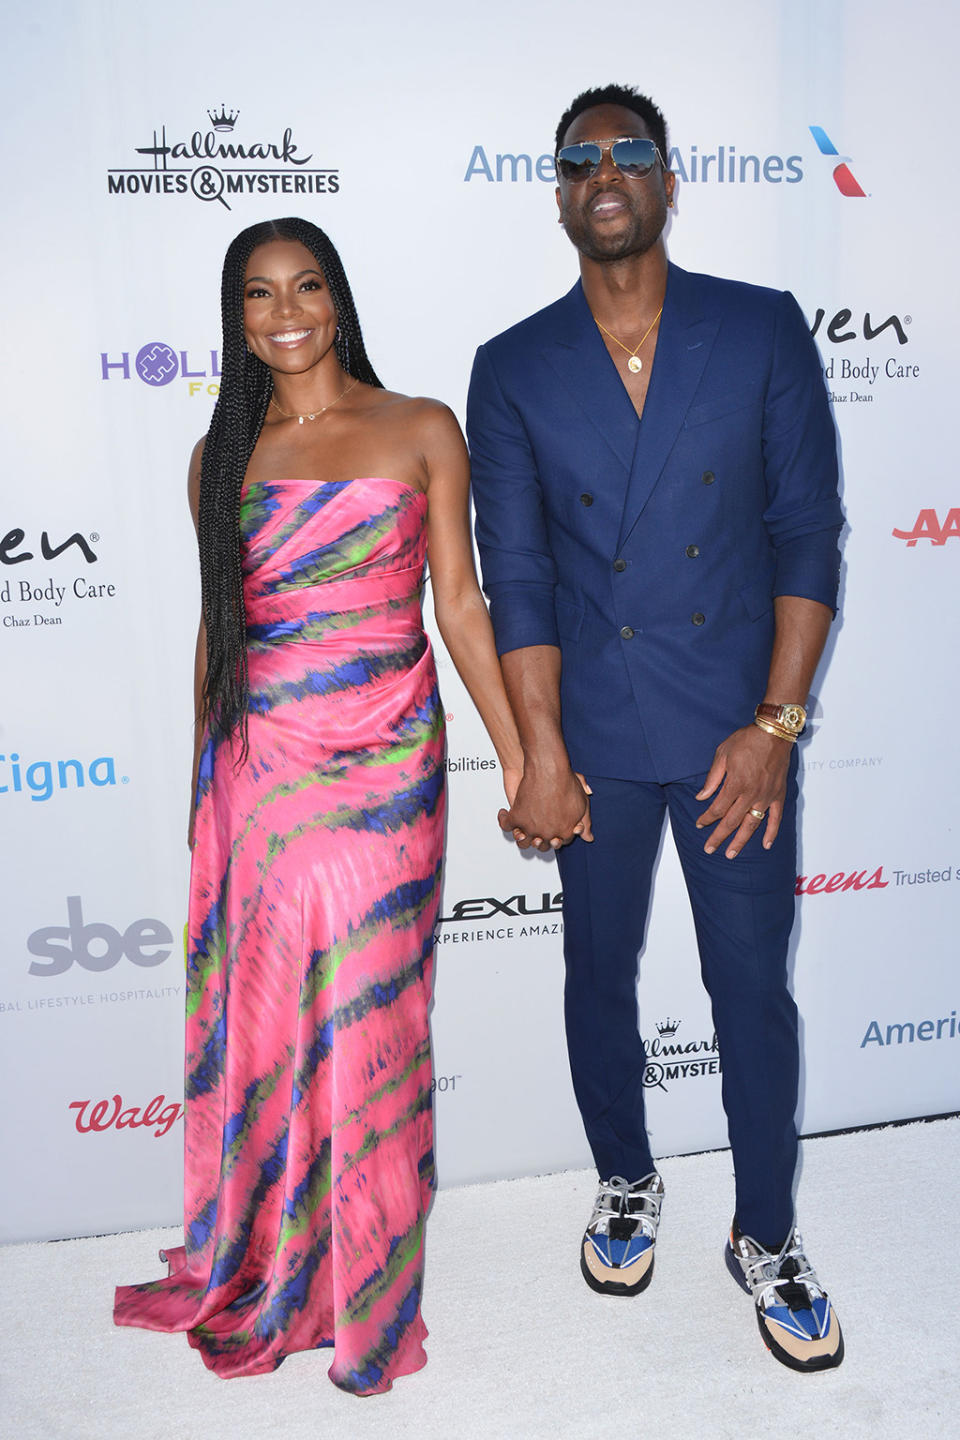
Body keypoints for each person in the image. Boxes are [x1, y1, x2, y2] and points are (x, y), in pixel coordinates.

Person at [467, 86, 845, 1373]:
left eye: (630, 152)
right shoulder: (513, 366)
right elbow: (514, 573)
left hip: (737, 734)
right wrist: (540, 750)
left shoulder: (759, 329)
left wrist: (776, 727)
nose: (606, 172)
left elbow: (806, 533)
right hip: (599, 740)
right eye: (581, 157)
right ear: (560, 190)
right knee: (595, 975)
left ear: (670, 179)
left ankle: (770, 1230)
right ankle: (625, 1177)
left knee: (750, 988)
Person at [114, 217, 526, 1395]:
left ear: (337, 300)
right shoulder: (219, 453)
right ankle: (279, 1257)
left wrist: (519, 759)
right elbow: (218, 632)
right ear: (236, 316)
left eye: (304, 287)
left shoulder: (419, 429)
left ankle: (368, 1286)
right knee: (271, 1026)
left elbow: (463, 608)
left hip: (388, 769)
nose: (282, 311)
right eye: (256, 294)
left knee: (373, 1023)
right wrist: (205, 787)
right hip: (260, 774)